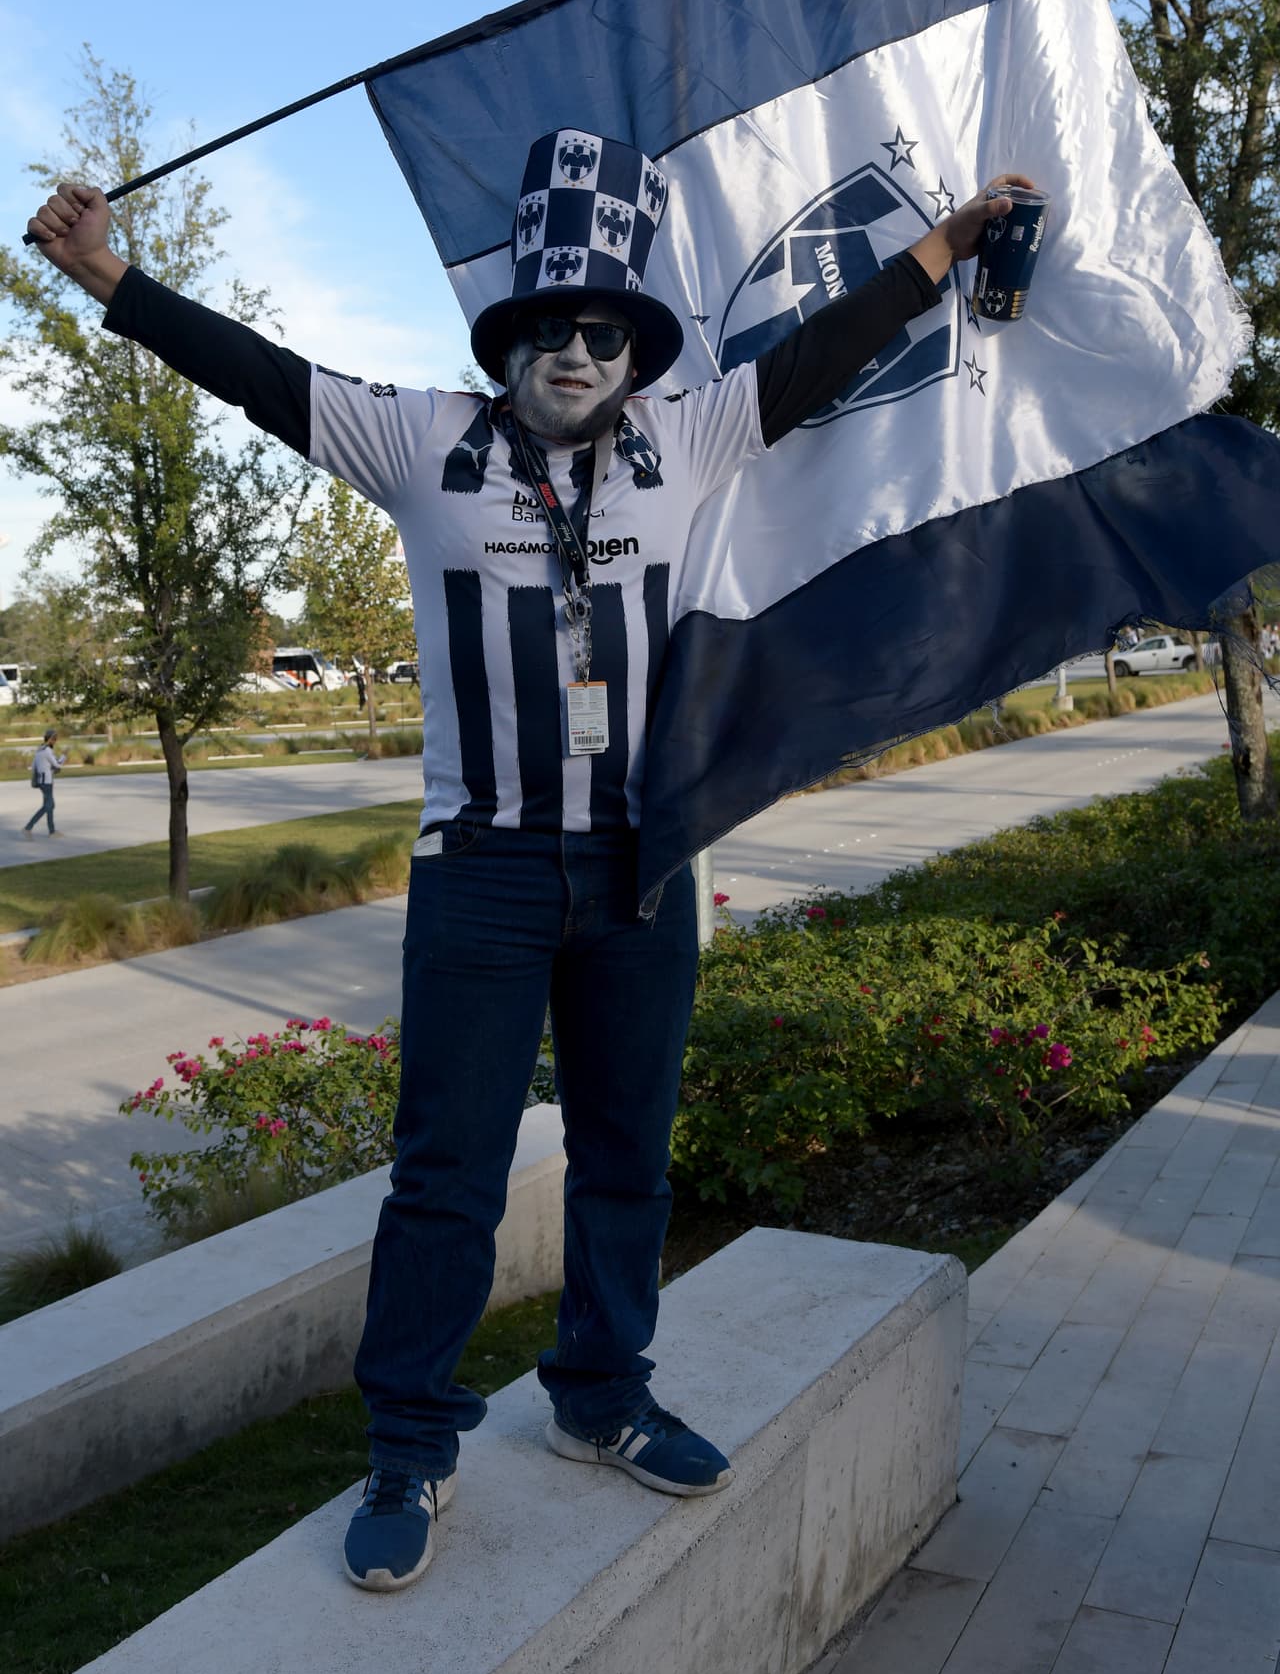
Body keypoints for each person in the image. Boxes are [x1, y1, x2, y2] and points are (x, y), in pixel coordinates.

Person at [28, 139, 1034, 1593]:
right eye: (550, 325)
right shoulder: (417, 441)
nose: (575, 349)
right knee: (449, 1176)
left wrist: (945, 240)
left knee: (628, 1153)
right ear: (508, 342)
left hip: (639, 867)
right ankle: (409, 1447)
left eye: (603, 329)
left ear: (636, 349)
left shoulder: (687, 439)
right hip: (483, 872)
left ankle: (602, 1394)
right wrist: (107, 275)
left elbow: (825, 350)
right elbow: (248, 367)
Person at [23, 727, 66, 836]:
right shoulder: (47, 751)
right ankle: (28, 827)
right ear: (51, 739)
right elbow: (57, 764)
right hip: (47, 782)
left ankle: (51, 831)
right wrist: (64, 756)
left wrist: (49, 769)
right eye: (55, 739)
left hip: (41, 781)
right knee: (48, 805)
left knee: (49, 805)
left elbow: (34, 766)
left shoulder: (40, 750)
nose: (55, 741)